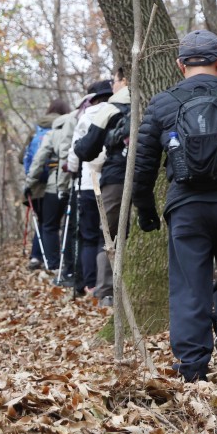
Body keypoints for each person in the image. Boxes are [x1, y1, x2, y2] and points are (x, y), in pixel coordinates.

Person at [132, 29, 217, 382]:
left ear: (180, 65)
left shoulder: (162, 103)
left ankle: (192, 367)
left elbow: (144, 163)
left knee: (189, 285)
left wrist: (145, 210)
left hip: (186, 208)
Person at [74, 69, 132, 306]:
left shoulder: (111, 108)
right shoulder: (156, 97)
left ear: (125, 80)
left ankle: (107, 291)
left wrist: (77, 146)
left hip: (117, 177)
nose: (113, 85)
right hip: (151, 175)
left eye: (115, 80)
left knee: (109, 236)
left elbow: (86, 149)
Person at [65, 80, 114, 299]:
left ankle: (90, 283)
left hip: (87, 183)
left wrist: (73, 171)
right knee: (108, 236)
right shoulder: (117, 112)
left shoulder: (85, 117)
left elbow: (75, 151)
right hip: (111, 181)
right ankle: (107, 285)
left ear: (91, 98)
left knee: (88, 235)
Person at [24, 103, 78, 278]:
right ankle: (70, 266)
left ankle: (53, 264)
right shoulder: (76, 124)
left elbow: (38, 159)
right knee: (70, 226)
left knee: (48, 225)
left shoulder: (48, 131)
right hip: (77, 183)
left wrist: (29, 184)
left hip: (53, 185)